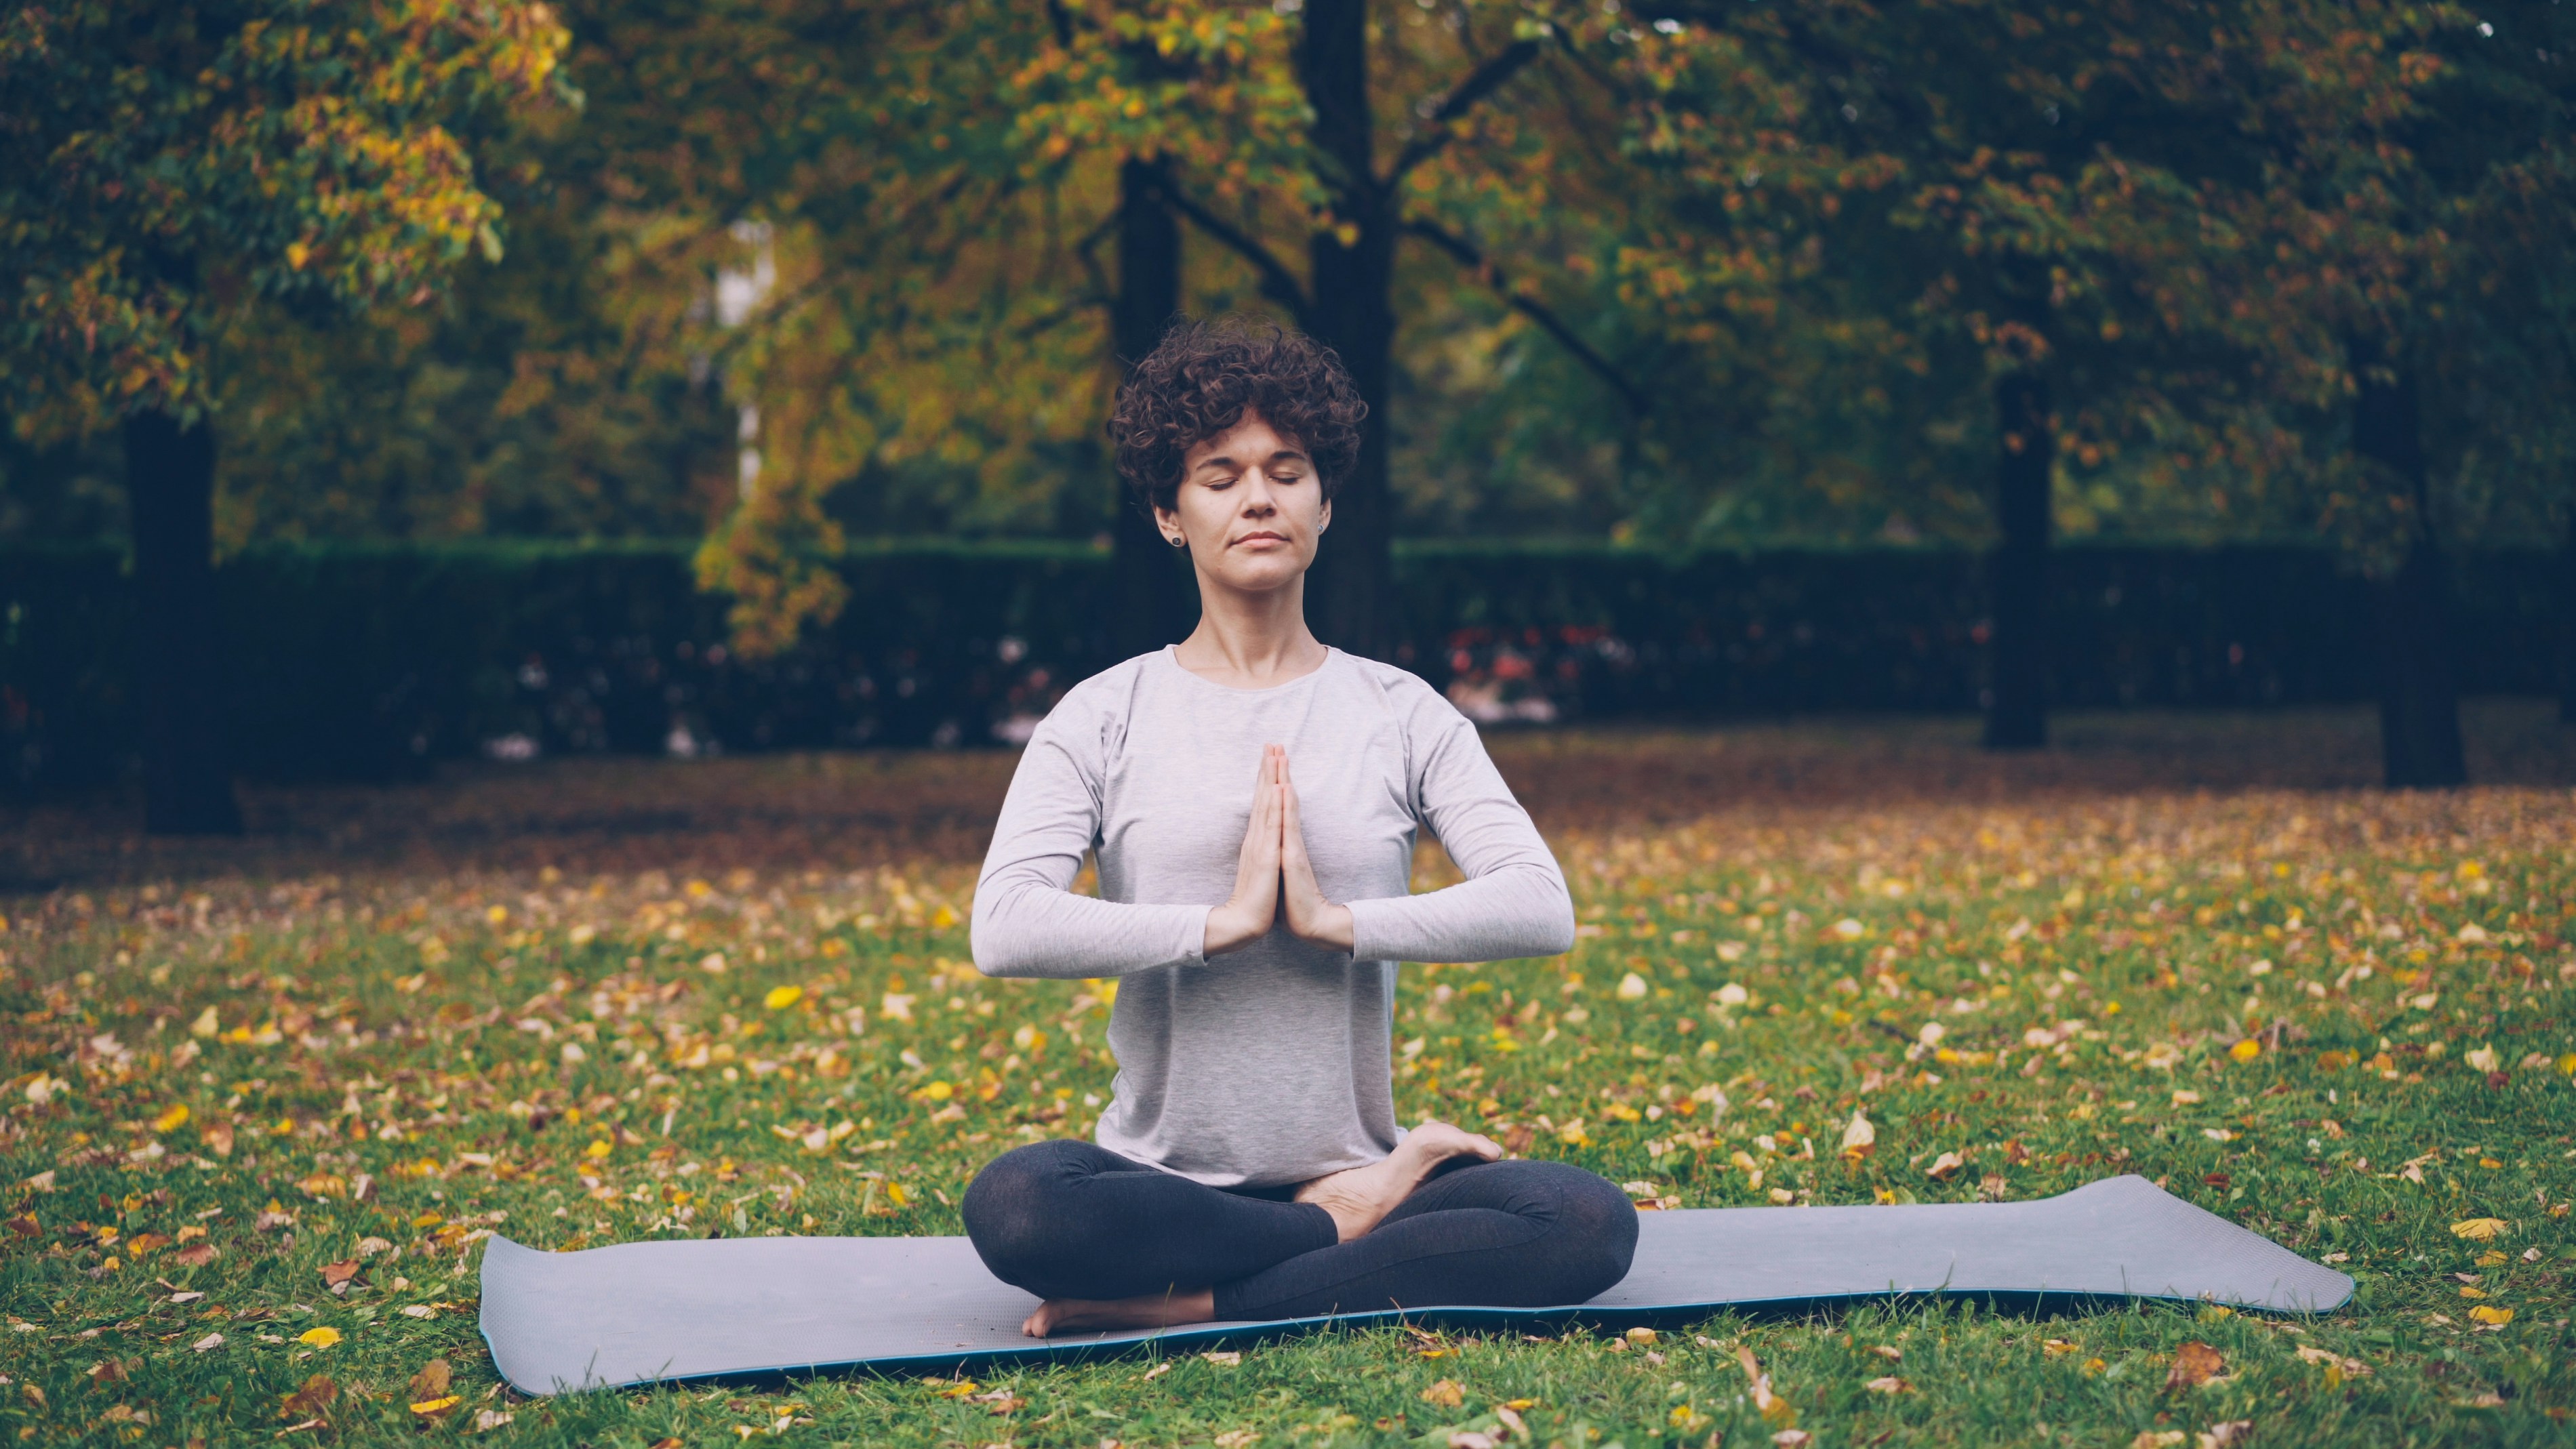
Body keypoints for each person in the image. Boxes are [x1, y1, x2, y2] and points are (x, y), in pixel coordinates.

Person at [961, 319, 1636, 1338]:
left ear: (1325, 503)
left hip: (1363, 1166)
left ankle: (1210, 1297)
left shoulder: (1401, 710)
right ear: (1168, 513)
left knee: (1585, 1221)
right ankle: (1336, 1241)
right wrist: (1218, 923)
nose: (1260, 497)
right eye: (1219, 474)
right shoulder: (1104, 714)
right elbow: (1003, 924)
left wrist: (1338, 920)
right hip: (1160, 1191)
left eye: (1288, 469)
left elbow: (1541, 906)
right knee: (1019, 1203)